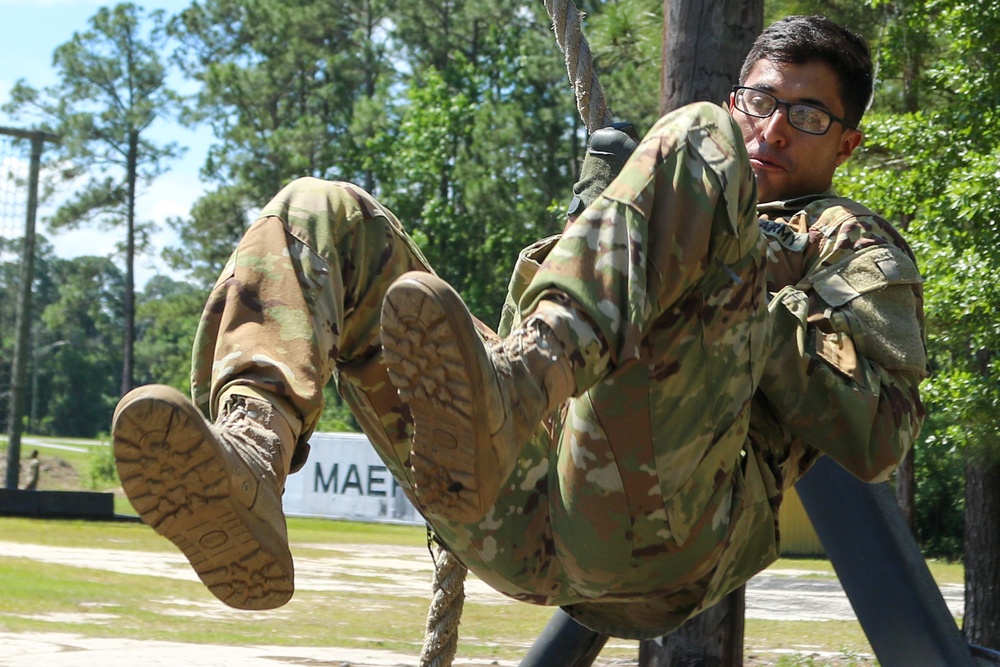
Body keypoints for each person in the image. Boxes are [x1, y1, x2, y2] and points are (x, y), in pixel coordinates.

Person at [112, 15, 927, 639]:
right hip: (508, 490)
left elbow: (878, 432)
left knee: (689, 141)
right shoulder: (667, 192)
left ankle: (520, 381)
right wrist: (617, 236)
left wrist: (742, 268)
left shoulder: (846, 240)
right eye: (761, 101)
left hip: (656, 537)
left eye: (809, 116)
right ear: (737, 98)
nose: (775, 127)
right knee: (320, 210)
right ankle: (253, 456)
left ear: (847, 142)